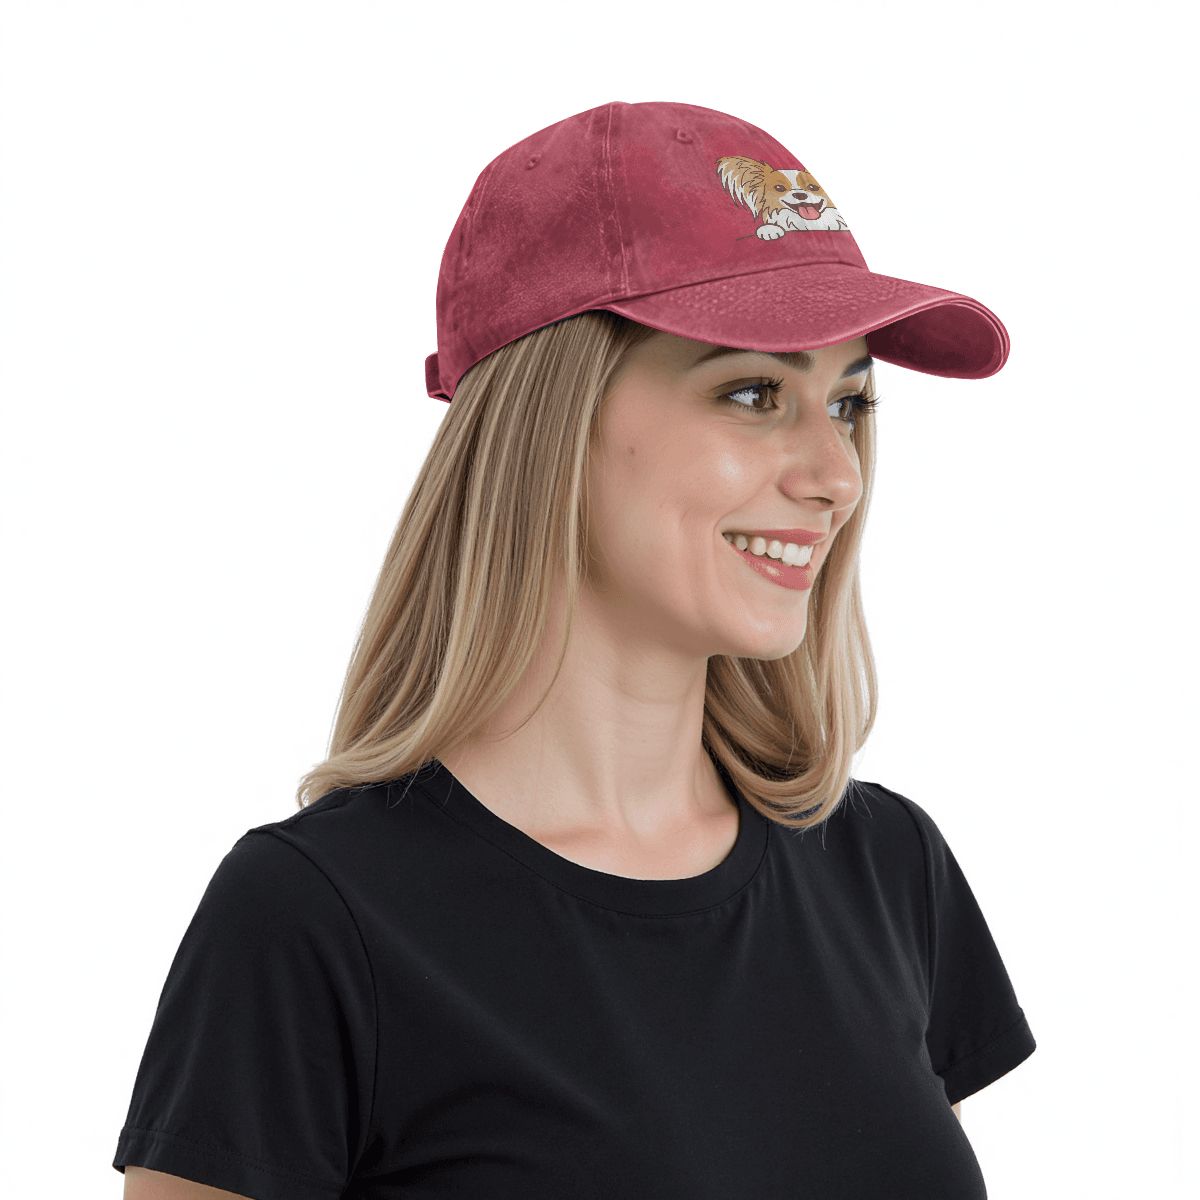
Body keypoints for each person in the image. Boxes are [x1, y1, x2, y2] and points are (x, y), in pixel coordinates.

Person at [114, 100, 1036, 1200]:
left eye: (849, 404)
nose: (836, 475)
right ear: (549, 426)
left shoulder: (886, 870)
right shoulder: (315, 922)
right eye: (753, 393)